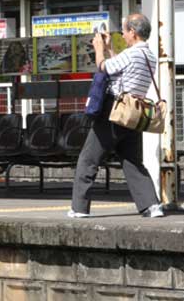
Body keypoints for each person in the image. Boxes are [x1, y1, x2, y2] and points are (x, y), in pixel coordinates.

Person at [69, 13, 164, 218]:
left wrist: (99, 49)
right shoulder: (149, 56)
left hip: (115, 110)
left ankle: (79, 208)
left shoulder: (131, 54)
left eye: (124, 31)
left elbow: (104, 67)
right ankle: (151, 205)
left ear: (133, 32)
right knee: (132, 160)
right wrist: (111, 48)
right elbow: (120, 68)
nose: (123, 34)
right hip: (134, 114)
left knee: (88, 159)